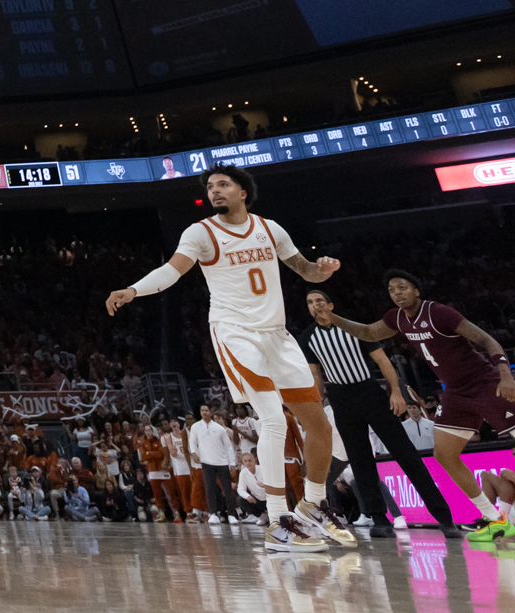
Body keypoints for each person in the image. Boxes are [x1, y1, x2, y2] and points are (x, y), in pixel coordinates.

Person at [106, 166, 352, 553]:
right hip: (235, 332)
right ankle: (277, 522)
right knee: (272, 419)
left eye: (223, 184)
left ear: (243, 192)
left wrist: (320, 271)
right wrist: (134, 290)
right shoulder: (201, 232)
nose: (215, 190)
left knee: (318, 424)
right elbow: (172, 272)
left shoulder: (271, 229)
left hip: (276, 334)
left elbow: (303, 269)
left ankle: (312, 505)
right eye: (210, 186)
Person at [314, 270, 515, 545]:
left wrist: (505, 374)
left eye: (402, 287)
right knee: (444, 454)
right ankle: (494, 520)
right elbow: (369, 332)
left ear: (416, 291)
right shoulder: (396, 318)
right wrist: (332, 317)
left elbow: (486, 340)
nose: (397, 293)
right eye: (392, 290)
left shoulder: (440, 313)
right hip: (455, 392)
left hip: (485, 383)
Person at [297, 287, 458, 539]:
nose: (315, 305)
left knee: (406, 454)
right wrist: (315, 409)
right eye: (310, 302)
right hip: (340, 398)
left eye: (319, 300)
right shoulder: (306, 337)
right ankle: (379, 518)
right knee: (360, 462)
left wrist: (396, 392)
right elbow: (316, 377)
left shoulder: (356, 328)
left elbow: (383, 361)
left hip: (369, 391)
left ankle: (444, 516)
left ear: (331, 306)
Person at [188, 404, 239, 524]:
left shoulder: (219, 428)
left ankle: (231, 514)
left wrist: (232, 464)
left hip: (222, 463)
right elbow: (192, 441)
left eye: (206, 410)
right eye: (202, 410)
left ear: (211, 412)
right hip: (206, 462)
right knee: (210, 489)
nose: (204, 412)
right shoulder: (195, 427)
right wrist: (194, 453)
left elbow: (228, 447)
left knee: (227, 489)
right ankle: (214, 513)